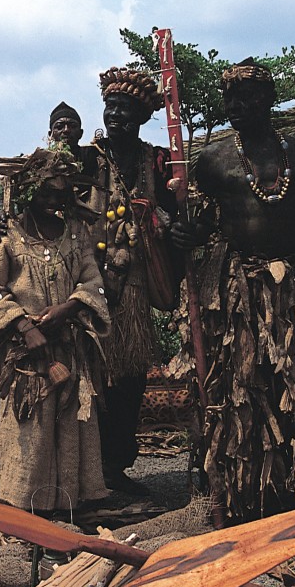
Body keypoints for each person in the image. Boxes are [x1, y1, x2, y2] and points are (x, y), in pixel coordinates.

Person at [170, 60, 295, 520]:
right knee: (239, 383)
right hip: (237, 290)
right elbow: (200, 224)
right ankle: (237, 488)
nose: (237, 106)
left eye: (247, 98)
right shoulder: (213, 160)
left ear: (268, 99)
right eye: (230, 99)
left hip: (293, 287)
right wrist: (185, 235)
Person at [0, 147, 111, 512]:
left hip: (66, 345)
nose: (54, 200)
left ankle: (67, 499)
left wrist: (68, 308)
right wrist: (25, 327)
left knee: (69, 423)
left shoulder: (76, 234)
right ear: (27, 192)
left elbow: (93, 281)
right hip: (23, 354)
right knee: (27, 427)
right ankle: (20, 498)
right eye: (46, 192)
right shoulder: (8, 235)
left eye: (61, 193)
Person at [87, 67, 179, 495]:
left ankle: (116, 465)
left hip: (135, 287)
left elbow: (177, 213)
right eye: (111, 108)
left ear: (142, 117)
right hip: (85, 285)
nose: (116, 115)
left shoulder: (156, 162)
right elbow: (41, 199)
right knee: (89, 374)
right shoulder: (86, 159)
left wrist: (170, 218)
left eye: (125, 109)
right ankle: (84, 464)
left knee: (128, 379)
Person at [0, 101, 98, 205]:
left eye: (72, 126)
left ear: (81, 133)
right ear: (50, 134)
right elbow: (0, 190)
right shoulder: (34, 164)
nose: (66, 130)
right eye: (60, 126)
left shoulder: (95, 160)